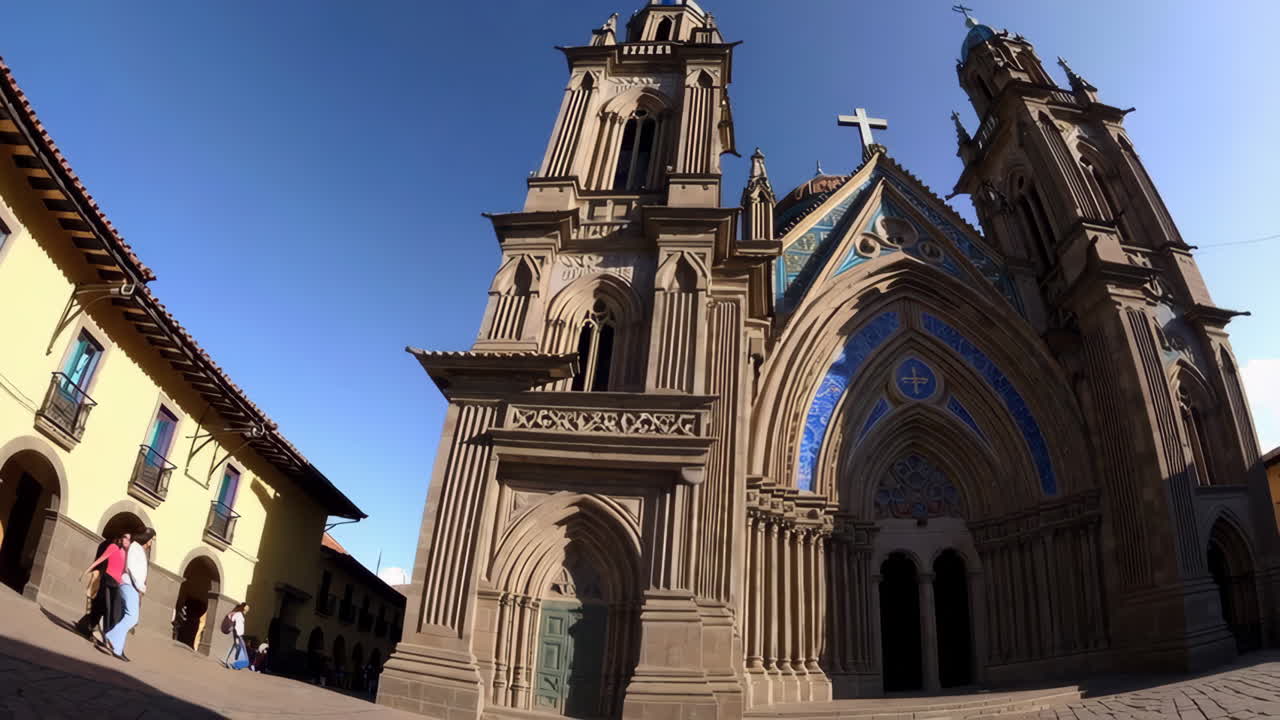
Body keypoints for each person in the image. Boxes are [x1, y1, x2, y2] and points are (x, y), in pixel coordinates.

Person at [104, 527, 154, 660]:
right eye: (151, 539)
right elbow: (131, 568)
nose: (151, 543)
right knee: (132, 618)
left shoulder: (139, 549)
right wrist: (140, 587)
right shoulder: (135, 547)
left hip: (131, 585)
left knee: (126, 617)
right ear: (147, 538)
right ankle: (110, 637)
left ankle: (118, 649)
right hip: (129, 585)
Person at [79, 532, 130, 654]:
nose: (126, 541)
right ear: (120, 538)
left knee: (107, 610)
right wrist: (86, 571)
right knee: (106, 608)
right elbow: (100, 559)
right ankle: (103, 637)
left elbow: (123, 570)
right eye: (125, 538)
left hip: (116, 584)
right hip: (107, 581)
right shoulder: (113, 547)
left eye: (129, 539)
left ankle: (91, 629)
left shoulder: (124, 553)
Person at [222, 602, 250, 669]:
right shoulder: (239, 614)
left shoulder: (238, 614)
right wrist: (238, 636)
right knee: (240, 651)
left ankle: (226, 660)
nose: (248, 610)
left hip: (238, 635)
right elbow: (237, 625)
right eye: (247, 608)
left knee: (235, 647)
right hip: (238, 635)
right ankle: (232, 664)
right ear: (244, 608)